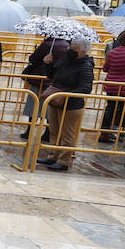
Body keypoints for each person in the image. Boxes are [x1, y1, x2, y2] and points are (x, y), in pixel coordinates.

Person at [36, 38, 96, 171]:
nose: (70, 51)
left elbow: (86, 88)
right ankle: (53, 156)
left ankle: (63, 161)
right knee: (54, 131)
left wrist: (65, 95)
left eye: (74, 49)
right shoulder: (66, 60)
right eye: (70, 48)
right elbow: (52, 75)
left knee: (67, 134)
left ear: (82, 51)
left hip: (71, 105)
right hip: (56, 101)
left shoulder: (86, 66)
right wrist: (48, 64)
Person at [20, 36, 67, 139]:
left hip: (39, 80)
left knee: (34, 106)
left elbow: (33, 59)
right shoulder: (67, 46)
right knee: (49, 108)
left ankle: (29, 131)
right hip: (54, 82)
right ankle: (48, 132)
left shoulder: (47, 44)